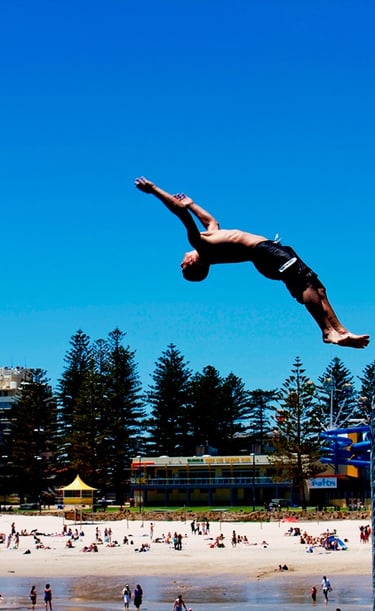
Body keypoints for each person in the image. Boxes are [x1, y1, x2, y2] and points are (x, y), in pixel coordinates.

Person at [135, 177, 370, 349]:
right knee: (305, 285)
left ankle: (340, 330)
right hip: (263, 253)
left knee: (317, 287)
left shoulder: (209, 240)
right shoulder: (201, 246)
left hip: (270, 252)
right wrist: (155, 189)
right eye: (183, 265)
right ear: (194, 264)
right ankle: (327, 331)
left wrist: (193, 202)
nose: (180, 262)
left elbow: (211, 221)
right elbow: (181, 213)